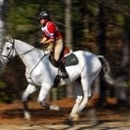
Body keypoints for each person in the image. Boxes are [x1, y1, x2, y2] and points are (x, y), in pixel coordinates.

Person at [38, 10, 68, 79]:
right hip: (52, 42)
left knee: (56, 57)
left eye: (41, 19)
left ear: (46, 19)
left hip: (58, 42)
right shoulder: (43, 26)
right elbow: (45, 36)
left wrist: (44, 42)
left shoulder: (51, 25)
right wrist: (40, 42)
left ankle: (64, 72)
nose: (40, 20)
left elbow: (52, 39)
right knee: (45, 55)